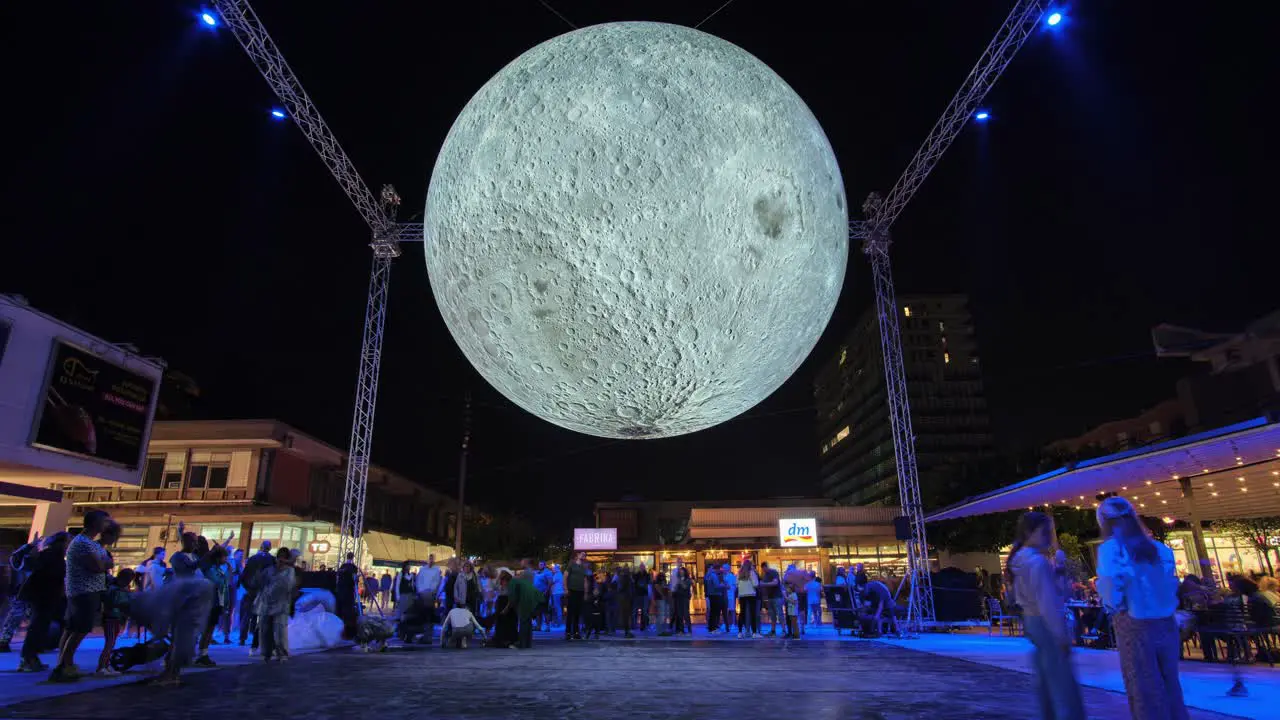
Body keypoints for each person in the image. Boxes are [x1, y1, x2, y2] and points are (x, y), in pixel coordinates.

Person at [1095, 497, 1188, 719]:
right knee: (1170, 684)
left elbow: (1111, 593)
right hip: (1166, 623)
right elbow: (1170, 584)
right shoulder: (1160, 549)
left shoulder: (1111, 549)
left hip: (1133, 623)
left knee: (1143, 688)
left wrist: (1111, 602)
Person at [1008, 511, 1085, 720]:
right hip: (1045, 622)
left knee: (1046, 679)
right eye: (1045, 532)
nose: (1050, 537)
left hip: (1032, 621)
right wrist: (1061, 635)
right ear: (1029, 532)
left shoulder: (1019, 560)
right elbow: (1048, 602)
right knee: (1062, 684)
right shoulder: (1037, 563)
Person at [50, 509, 112, 682]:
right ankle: (64, 665)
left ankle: (65, 663)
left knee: (72, 628)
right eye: (105, 521)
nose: (107, 525)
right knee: (79, 629)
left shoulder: (89, 543)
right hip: (84, 591)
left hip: (83, 591)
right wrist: (103, 563)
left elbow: (106, 562)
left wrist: (104, 562)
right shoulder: (83, 543)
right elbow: (99, 566)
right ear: (95, 523)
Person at [16, 532, 69, 672]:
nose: (69, 546)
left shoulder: (56, 557)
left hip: (48, 597)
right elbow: (34, 569)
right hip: (42, 596)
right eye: (67, 542)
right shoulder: (49, 555)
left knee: (41, 626)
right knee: (37, 626)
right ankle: (28, 658)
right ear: (60, 543)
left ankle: (32, 657)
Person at [0, 534, 40, 653]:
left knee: (24, 617)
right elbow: (15, 557)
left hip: (27, 593)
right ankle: (4, 641)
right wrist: (30, 545)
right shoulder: (23, 561)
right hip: (19, 593)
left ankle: (34, 642)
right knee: (15, 617)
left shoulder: (33, 561)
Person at [255, 548, 296, 662]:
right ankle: (266, 653)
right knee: (264, 629)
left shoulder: (289, 571)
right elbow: (260, 583)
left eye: (284, 557)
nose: (281, 559)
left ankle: (281, 653)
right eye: (279, 556)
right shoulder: (269, 570)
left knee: (279, 631)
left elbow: (289, 586)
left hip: (281, 604)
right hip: (266, 603)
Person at [194, 545, 230, 667]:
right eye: (224, 557)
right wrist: (226, 575)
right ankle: (201, 654)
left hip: (217, 602)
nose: (226, 560)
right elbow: (218, 582)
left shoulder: (218, 570)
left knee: (210, 629)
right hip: (210, 603)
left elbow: (225, 585)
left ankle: (204, 653)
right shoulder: (210, 570)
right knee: (207, 629)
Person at [98, 567, 134, 675]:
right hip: (110, 618)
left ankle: (105, 665)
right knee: (110, 643)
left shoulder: (114, 588)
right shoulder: (114, 590)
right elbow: (114, 603)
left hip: (114, 618)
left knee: (111, 642)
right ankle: (102, 667)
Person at [239, 540, 273, 653]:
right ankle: (256, 640)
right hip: (263, 591)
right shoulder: (271, 559)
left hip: (251, 590)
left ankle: (242, 638)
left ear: (261, 546)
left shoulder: (253, 558)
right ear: (270, 548)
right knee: (261, 617)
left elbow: (244, 575)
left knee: (247, 615)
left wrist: (247, 588)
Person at [507, 559, 540, 649]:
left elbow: (515, 580)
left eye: (522, 562)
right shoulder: (530, 572)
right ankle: (527, 643)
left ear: (526, 563)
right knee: (527, 622)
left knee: (524, 621)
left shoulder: (526, 573)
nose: (520, 563)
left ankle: (522, 643)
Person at [414, 554, 443, 643]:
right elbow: (419, 581)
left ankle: (428, 635)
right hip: (423, 594)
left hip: (430, 595)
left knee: (429, 615)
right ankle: (424, 634)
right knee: (423, 614)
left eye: (432, 559)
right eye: (430, 558)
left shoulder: (436, 570)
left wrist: (432, 591)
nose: (431, 560)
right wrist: (421, 591)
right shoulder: (423, 569)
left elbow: (437, 582)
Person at [564, 552, 588, 640]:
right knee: (570, 612)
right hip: (572, 590)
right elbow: (565, 576)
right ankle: (568, 632)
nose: (583, 556)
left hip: (580, 591)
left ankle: (576, 632)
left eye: (585, 555)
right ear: (577, 555)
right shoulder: (571, 565)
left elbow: (585, 580)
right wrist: (566, 588)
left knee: (578, 613)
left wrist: (585, 593)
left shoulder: (584, 567)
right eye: (582, 554)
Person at [736, 561, 760, 638]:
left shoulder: (739, 573)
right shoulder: (751, 572)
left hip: (742, 595)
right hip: (751, 594)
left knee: (742, 613)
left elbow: (736, 584)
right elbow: (756, 584)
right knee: (753, 613)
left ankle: (739, 632)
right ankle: (754, 633)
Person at [759, 561, 783, 636]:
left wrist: (764, 584)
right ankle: (773, 631)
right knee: (772, 615)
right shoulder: (765, 575)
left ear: (766, 566)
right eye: (763, 569)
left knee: (780, 613)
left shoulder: (773, 572)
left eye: (764, 568)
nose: (764, 570)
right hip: (770, 597)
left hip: (777, 596)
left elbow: (775, 583)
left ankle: (784, 630)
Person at [704, 563, 725, 633]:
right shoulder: (713, 575)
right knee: (715, 612)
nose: (720, 571)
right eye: (719, 569)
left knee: (713, 611)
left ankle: (711, 627)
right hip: (715, 595)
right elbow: (716, 586)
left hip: (711, 595)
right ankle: (713, 628)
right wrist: (723, 585)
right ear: (717, 569)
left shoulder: (708, 575)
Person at [672, 566, 692, 635]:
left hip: (685, 598)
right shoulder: (678, 579)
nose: (680, 572)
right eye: (680, 571)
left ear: (684, 572)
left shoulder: (688, 579)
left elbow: (685, 587)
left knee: (686, 614)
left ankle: (689, 630)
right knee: (679, 614)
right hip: (678, 598)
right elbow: (675, 588)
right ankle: (681, 630)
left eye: (682, 571)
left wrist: (679, 582)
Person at [551, 564, 565, 629]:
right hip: (559, 592)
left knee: (557, 607)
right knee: (559, 607)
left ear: (557, 568)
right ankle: (558, 622)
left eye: (554, 568)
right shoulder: (560, 574)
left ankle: (559, 623)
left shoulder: (557, 575)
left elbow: (551, 582)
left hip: (557, 592)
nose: (553, 569)